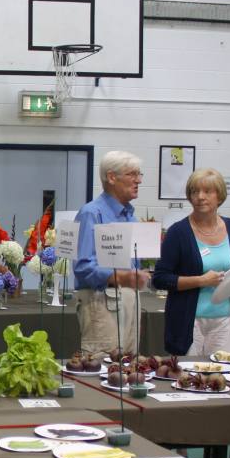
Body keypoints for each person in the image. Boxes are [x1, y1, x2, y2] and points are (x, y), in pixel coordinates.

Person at [152, 169, 230, 355]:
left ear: (219, 196)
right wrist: (201, 281)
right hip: (189, 322)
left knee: (222, 377)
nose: (200, 197)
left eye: (207, 191)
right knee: (190, 380)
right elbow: (160, 279)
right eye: (194, 192)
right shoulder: (178, 232)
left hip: (224, 320)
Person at [74, 151, 151, 356]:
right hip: (102, 301)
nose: (139, 180)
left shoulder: (132, 218)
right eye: (132, 174)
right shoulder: (91, 213)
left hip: (130, 300)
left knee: (129, 367)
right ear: (111, 177)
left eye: (139, 174)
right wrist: (122, 277)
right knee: (101, 365)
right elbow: (82, 267)